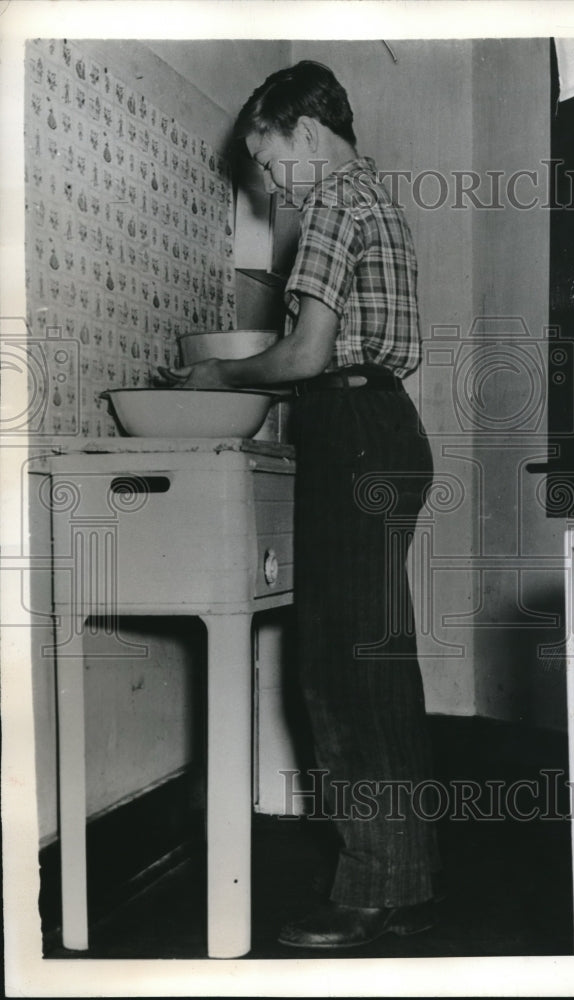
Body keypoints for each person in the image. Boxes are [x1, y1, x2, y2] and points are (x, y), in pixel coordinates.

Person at [162, 60, 441, 949]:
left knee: (334, 673)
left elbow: (306, 354)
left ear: (306, 134)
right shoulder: (376, 198)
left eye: (272, 159)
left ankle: (364, 893)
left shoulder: (329, 201)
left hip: (351, 426)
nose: (273, 184)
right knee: (379, 665)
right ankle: (401, 880)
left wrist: (218, 375)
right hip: (389, 428)